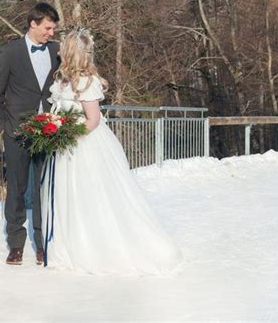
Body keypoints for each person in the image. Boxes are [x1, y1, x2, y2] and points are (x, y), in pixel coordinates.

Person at [41, 28, 182, 275]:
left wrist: (66, 132)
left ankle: (96, 247)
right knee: (69, 196)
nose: (59, 53)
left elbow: (92, 120)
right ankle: (68, 246)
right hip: (64, 148)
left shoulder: (87, 82)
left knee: (93, 195)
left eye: (63, 50)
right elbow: (58, 111)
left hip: (85, 145)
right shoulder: (61, 80)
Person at [0, 2, 60, 266]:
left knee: (43, 189)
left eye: (53, 28)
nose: (51, 33)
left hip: (49, 130)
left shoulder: (57, 51)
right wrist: (2, 127)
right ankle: (16, 244)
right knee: (17, 189)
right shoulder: (10, 51)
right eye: (48, 28)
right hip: (16, 132)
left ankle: (42, 244)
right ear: (33, 23)